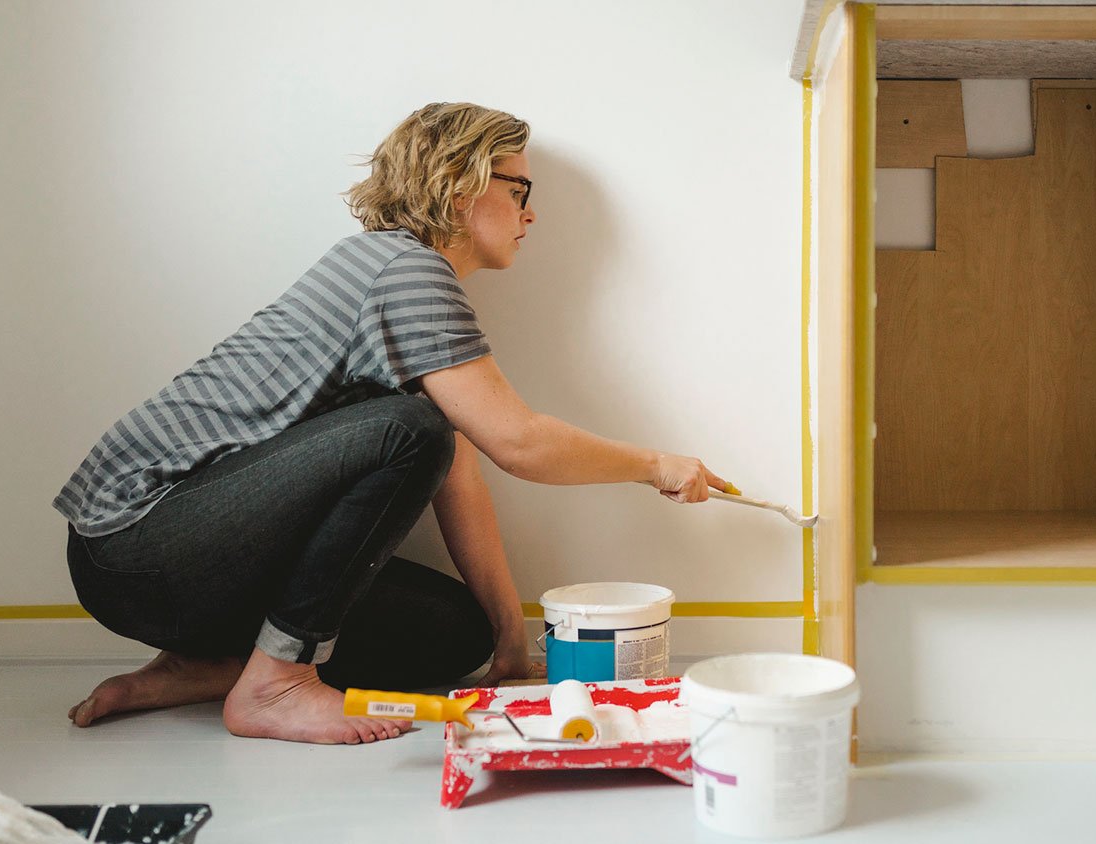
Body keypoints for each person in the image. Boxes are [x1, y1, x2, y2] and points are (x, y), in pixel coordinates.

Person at [52, 102, 727, 745]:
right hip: (136, 545)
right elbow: (517, 442)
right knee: (410, 429)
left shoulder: (396, 277)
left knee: (455, 632)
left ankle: (209, 667)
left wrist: (507, 635)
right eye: (519, 189)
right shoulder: (406, 271)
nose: (531, 212)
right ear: (462, 186)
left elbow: (459, 473)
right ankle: (275, 683)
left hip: (184, 568)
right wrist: (657, 465)